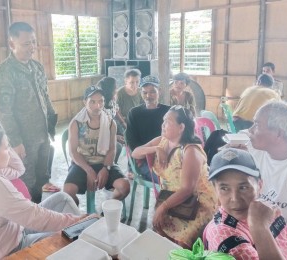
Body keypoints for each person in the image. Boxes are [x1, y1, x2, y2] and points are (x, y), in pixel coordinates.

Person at [0, 125, 91, 260]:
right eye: (6, 148)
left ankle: (85, 231)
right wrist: (79, 222)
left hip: (9, 233)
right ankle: (88, 234)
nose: (10, 152)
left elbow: (19, 169)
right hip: (5, 252)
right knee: (72, 238)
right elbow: (35, 216)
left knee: (62, 198)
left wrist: (3, 140)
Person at [132, 106, 217, 248]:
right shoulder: (162, 141)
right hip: (173, 197)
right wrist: (155, 149)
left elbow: (187, 190)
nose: (162, 125)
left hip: (198, 202)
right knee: (159, 231)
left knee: (180, 241)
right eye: (163, 121)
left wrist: (163, 207)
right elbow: (135, 152)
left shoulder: (190, 151)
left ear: (181, 127)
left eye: (168, 122)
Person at [0, 22, 58, 202]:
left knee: (41, 176)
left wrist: (51, 125)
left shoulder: (37, 67)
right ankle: (26, 222)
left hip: (42, 135)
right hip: (23, 140)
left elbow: (45, 97)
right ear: (12, 44)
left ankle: (36, 211)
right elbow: (3, 111)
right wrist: (16, 141)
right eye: (26, 44)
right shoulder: (5, 72)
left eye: (34, 42)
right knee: (25, 180)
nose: (32, 48)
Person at [204, 148, 287, 260]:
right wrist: (259, 227)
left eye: (243, 187)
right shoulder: (224, 235)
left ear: (260, 186)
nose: (235, 199)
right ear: (215, 190)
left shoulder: (267, 208)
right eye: (224, 188)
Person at [245, 100, 287, 250]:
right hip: (259, 232)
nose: (250, 130)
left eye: (257, 125)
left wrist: (259, 237)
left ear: (278, 133)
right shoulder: (252, 151)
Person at [63, 86, 130, 205]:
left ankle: (108, 209)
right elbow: (73, 151)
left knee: (125, 186)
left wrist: (106, 168)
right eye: (92, 102)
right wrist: (88, 170)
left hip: (104, 162)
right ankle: (79, 217)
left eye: (101, 101)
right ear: (85, 102)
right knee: (67, 192)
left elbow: (112, 149)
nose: (97, 106)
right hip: (82, 164)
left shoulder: (110, 123)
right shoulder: (76, 123)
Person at [0, 100, 59, 193]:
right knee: (23, 163)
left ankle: (44, 181)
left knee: (48, 149)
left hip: (18, 143)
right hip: (3, 147)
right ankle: (31, 185)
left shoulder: (16, 110)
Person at [125, 75, 170, 182]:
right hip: (143, 159)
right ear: (141, 93)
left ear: (159, 91)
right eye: (144, 92)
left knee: (184, 176)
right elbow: (134, 148)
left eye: (152, 92)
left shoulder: (169, 111)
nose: (148, 96)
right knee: (168, 180)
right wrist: (155, 150)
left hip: (167, 155)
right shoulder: (134, 113)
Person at [97, 76, 126, 164]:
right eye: (115, 87)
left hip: (114, 124)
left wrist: (123, 122)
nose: (117, 89)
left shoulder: (112, 100)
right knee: (119, 145)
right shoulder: (100, 105)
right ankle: (111, 163)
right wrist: (115, 137)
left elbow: (116, 112)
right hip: (104, 130)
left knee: (128, 135)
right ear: (110, 89)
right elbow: (99, 127)